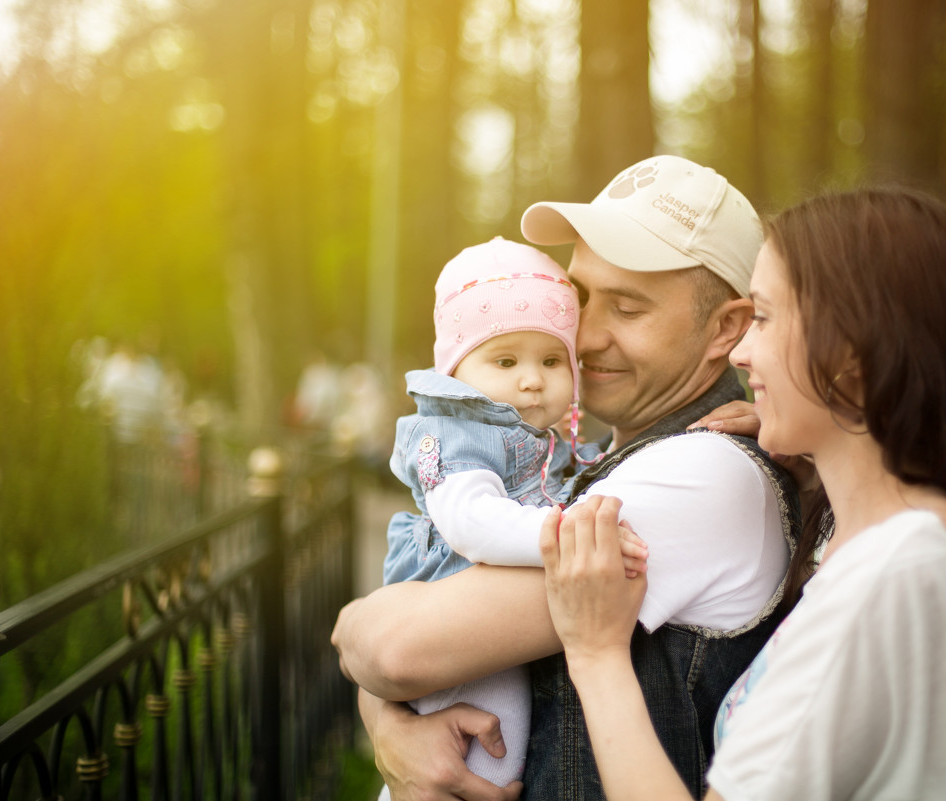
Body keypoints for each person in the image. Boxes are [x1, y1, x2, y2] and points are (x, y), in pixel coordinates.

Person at [539, 187, 946, 801]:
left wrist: (596, 656)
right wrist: (814, 455)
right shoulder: (915, 542)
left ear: (853, 350)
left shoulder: (896, 575)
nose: (743, 351)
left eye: (763, 317)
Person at [332, 155, 801, 800]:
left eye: (628, 309)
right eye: (581, 298)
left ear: (726, 328)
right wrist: (391, 727)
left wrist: (364, 647)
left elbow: (396, 651)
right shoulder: (588, 457)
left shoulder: (707, 476)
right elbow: (397, 651)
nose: (583, 338)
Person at [378, 236, 633, 792]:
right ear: (457, 370)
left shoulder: (539, 438)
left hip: (486, 623)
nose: (532, 379)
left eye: (550, 360)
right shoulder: (453, 435)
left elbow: (583, 474)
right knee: (487, 748)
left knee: (493, 743)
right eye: (505, 360)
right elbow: (471, 521)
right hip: (450, 613)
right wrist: (566, 532)